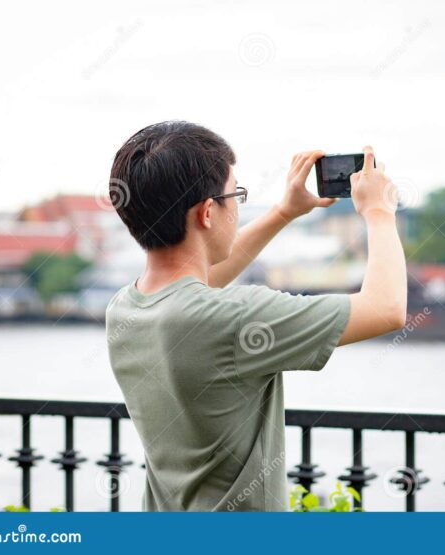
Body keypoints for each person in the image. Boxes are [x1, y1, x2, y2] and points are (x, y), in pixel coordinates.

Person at [105, 121, 407, 511]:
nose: (238, 206)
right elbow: (387, 309)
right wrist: (380, 212)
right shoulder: (230, 319)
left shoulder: (125, 309)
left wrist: (284, 212)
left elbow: (194, 281)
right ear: (208, 212)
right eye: (236, 195)